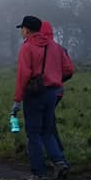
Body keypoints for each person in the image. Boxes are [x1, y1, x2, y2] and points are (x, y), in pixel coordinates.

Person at [12, 15, 75, 180]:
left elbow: (23, 75)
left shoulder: (27, 48)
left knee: (33, 134)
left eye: (22, 29)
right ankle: (59, 162)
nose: (21, 32)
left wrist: (17, 99)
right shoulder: (55, 47)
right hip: (53, 93)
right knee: (47, 132)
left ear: (27, 29)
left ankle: (38, 174)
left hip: (34, 94)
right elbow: (66, 69)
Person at [40, 21, 67, 155]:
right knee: (49, 121)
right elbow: (69, 70)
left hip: (42, 91)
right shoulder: (60, 48)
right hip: (58, 91)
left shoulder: (38, 47)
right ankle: (55, 153)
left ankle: (56, 155)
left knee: (45, 125)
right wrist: (58, 80)